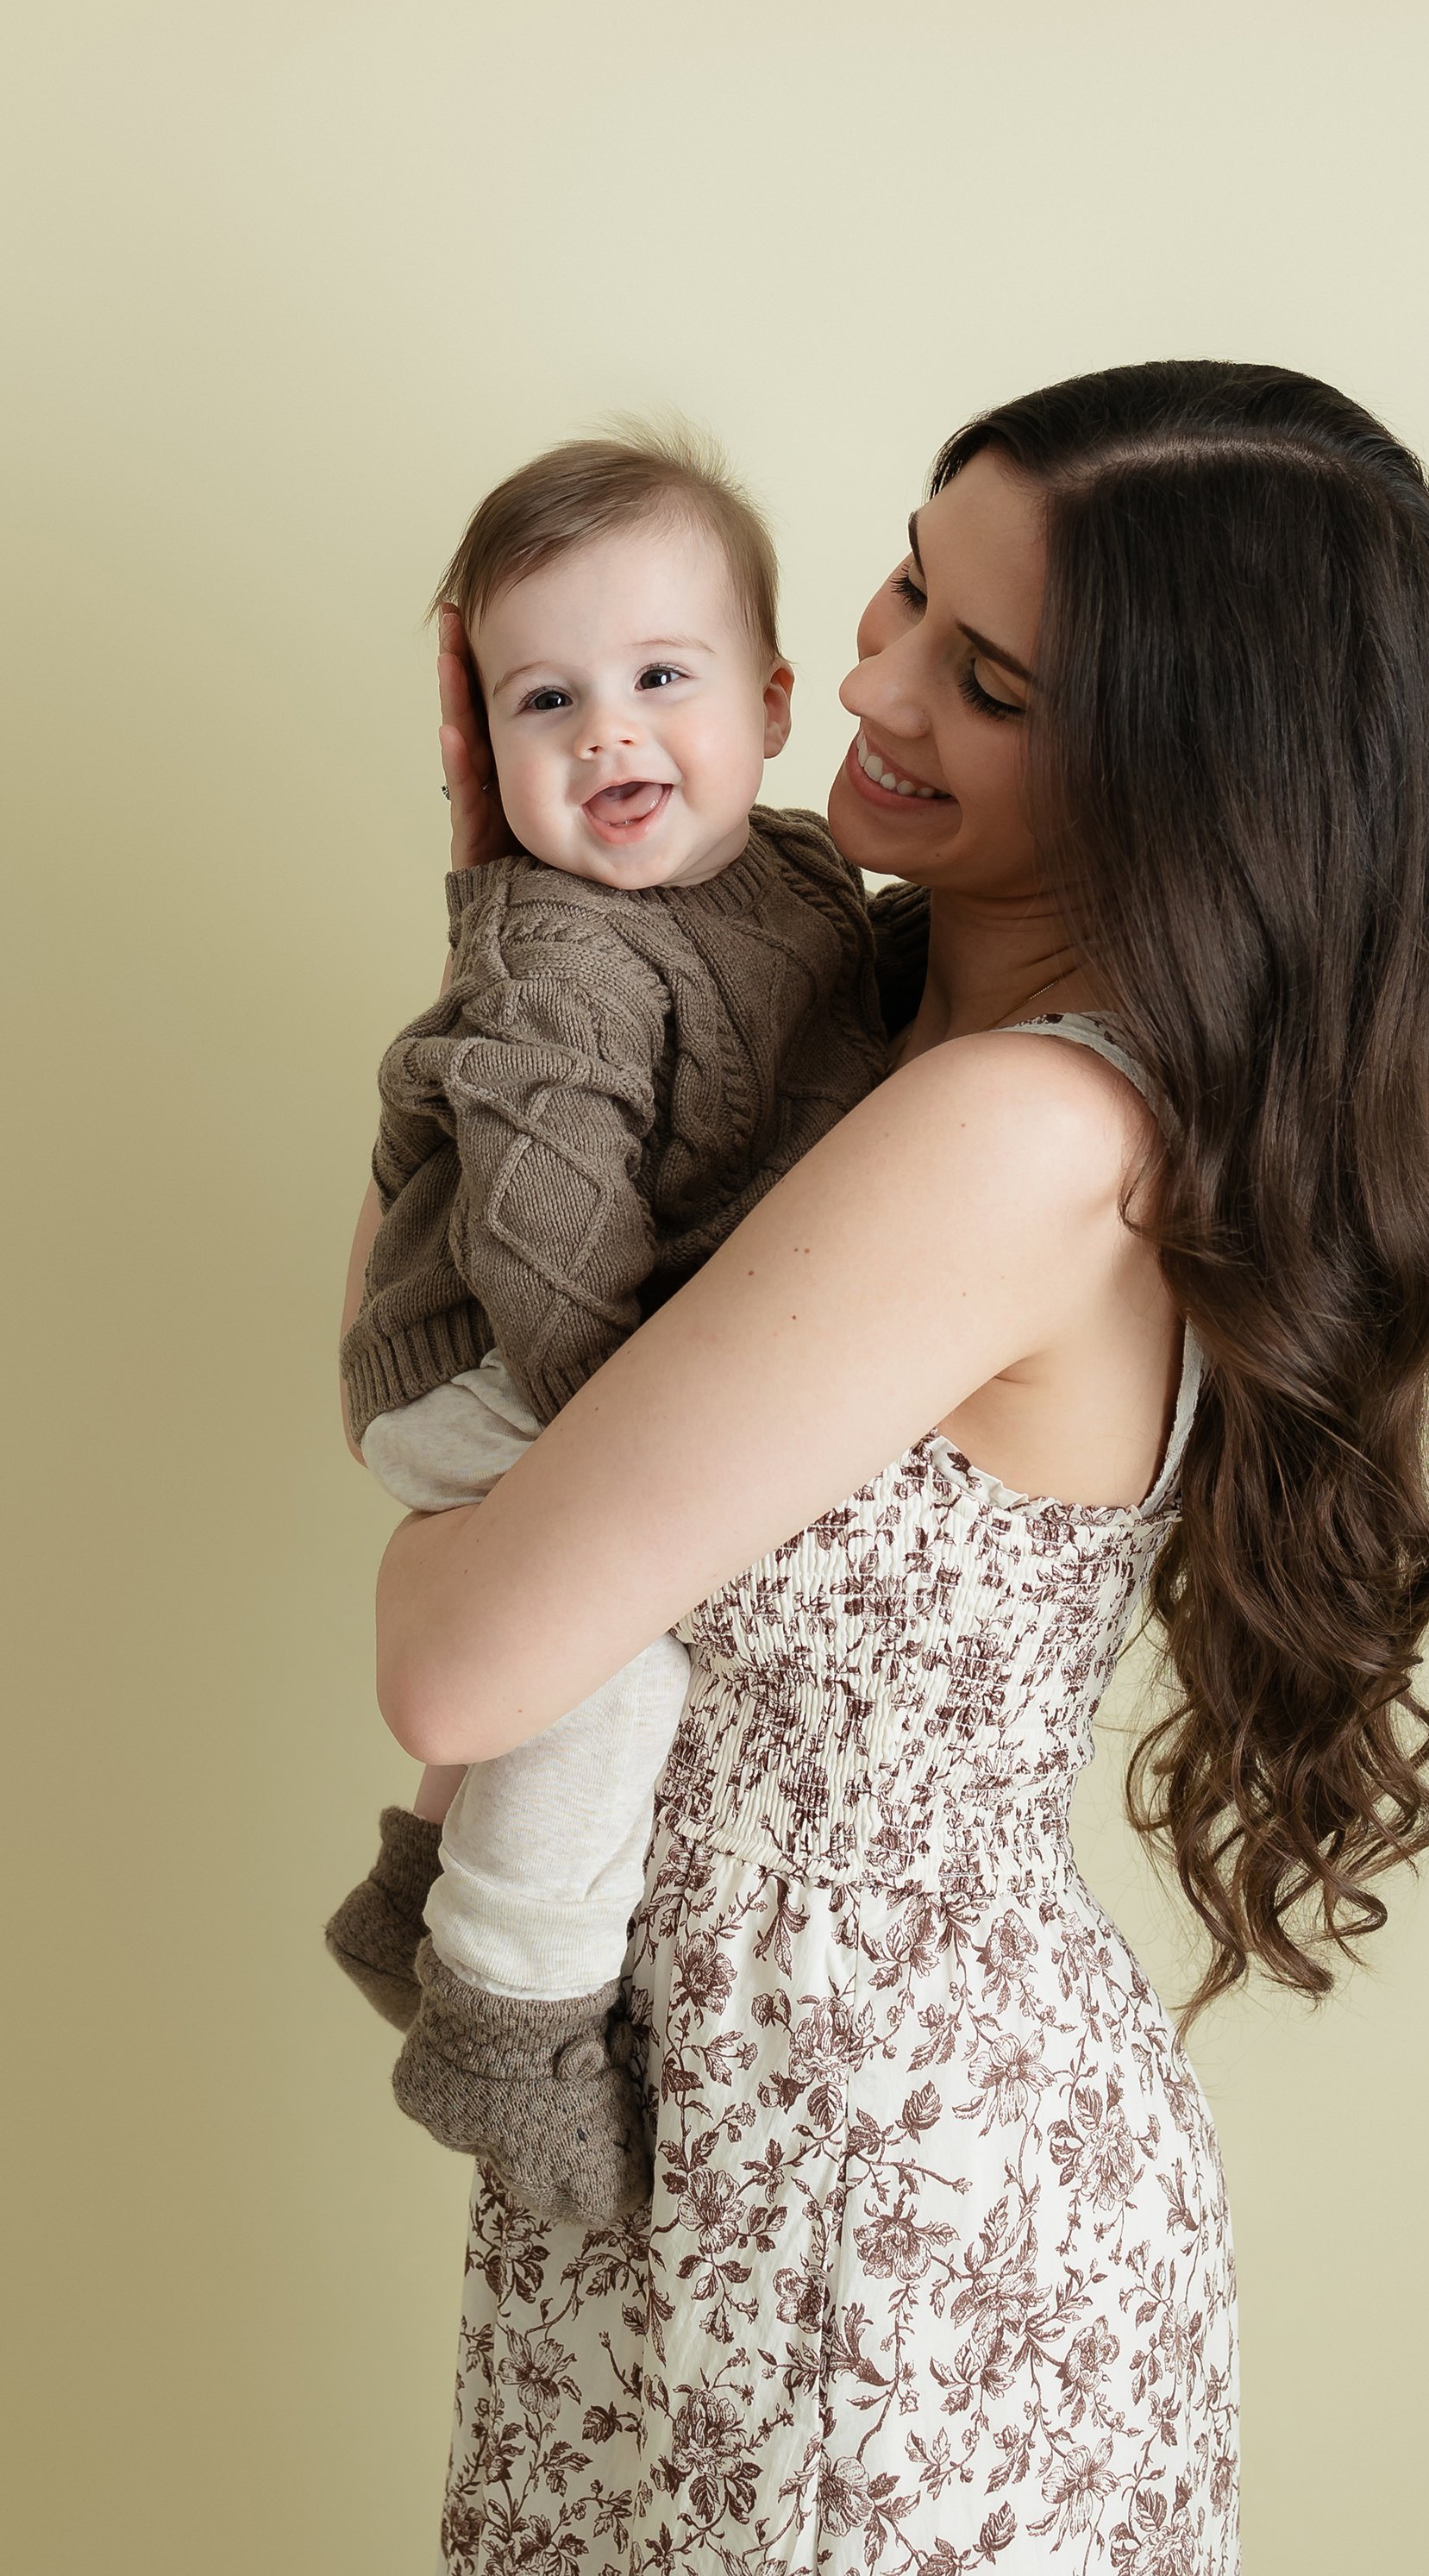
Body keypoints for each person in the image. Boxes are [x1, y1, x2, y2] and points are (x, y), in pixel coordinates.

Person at [365, 361, 1429, 2573]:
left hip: (873, 2216)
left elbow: (457, 1656)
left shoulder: (1017, 1132)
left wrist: (447, 1550)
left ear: (1177, 776)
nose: (868, 684)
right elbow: (460, 1330)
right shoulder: (835, 1008)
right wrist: (540, 925)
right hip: (724, 2141)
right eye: (901, 587)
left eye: (986, 679)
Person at [326, 427, 923, 2221]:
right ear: (487, 742)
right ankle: (505, 2021)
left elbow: (837, 1029)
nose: (607, 735)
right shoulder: (562, 958)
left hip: (572, 1330)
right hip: (482, 1343)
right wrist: (637, 1479)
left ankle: (411, 1898)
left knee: (584, 1592)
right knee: (607, 1638)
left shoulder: (798, 874)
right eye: (546, 701)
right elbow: (548, 1233)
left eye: (661, 678)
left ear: (772, 702)